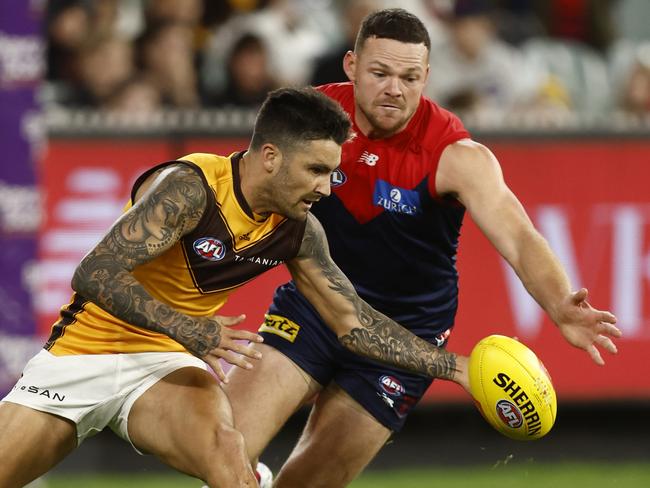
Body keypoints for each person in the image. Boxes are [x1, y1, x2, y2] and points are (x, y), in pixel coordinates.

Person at [224, 9, 622, 488]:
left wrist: (560, 304)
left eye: (410, 77)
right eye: (381, 73)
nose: (395, 88)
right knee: (222, 450)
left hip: (404, 338)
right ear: (351, 66)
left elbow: (517, 235)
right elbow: (246, 189)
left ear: (427, 76)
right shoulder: (310, 120)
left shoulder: (455, 154)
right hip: (316, 308)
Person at [0, 86, 470, 488]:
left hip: (165, 365)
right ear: (270, 156)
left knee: (229, 454)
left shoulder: (298, 229)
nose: (326, 189)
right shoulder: (190, 188)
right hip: (83, 356)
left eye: (331, 172)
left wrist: (456, 368)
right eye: (316, 170)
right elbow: (94, 273)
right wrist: (191, 329)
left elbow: (353, 322)